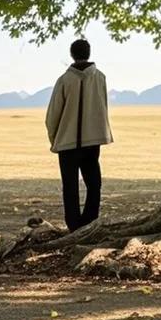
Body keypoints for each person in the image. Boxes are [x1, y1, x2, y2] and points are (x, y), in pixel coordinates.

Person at [45, 39, 113, 233]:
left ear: (72, 55)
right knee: (94, 183)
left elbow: (53, 115)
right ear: (89, 53)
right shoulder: (100, 77)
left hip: (66, 143)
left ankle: (74, 225)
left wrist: (54, 139)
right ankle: (90, 220)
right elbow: (103, 108)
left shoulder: (64, 80)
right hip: (93, 141)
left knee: (70, 186)